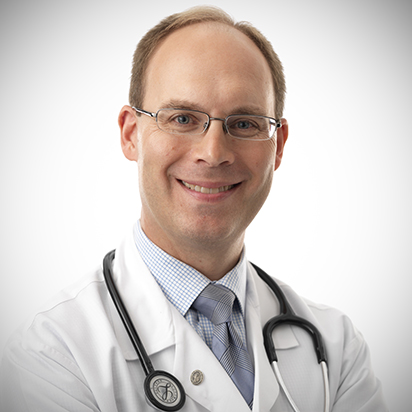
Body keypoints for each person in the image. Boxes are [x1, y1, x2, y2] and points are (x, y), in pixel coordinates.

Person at [0, 6, 387, 412]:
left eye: (244, 123)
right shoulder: (54, 352)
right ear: (131, 135)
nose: (213, 153)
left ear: (279, 145)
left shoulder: (334, 348)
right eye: (182, 118)